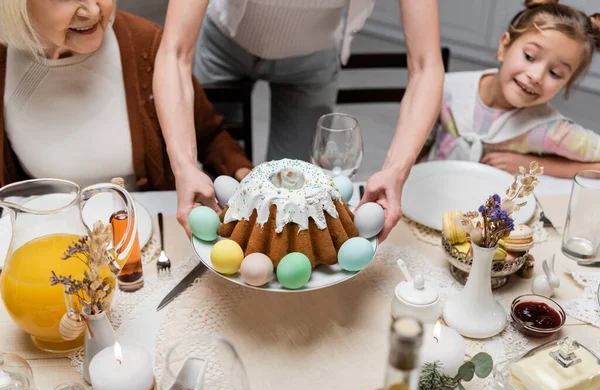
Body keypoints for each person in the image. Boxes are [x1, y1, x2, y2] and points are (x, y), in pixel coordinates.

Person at [154, 0, 445, 241]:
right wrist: (184, 166)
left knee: (290, 207)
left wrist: (397, 169)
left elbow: (426, 65)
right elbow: (174, 53)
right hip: (225, 45)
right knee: (218, 177)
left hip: (312, 59)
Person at [0, 0, 252, 191]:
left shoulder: (147, 46)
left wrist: (241, 172)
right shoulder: (5, 66)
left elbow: (209, 136)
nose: (93, 10)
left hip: (146, 238)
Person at [424, 0, 600, 178]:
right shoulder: (447, 89)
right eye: (529, 57)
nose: (536, 76)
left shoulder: (550, 129)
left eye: (555, 73)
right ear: (504, 46)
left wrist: (534, 165)